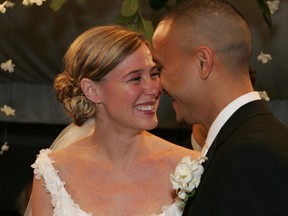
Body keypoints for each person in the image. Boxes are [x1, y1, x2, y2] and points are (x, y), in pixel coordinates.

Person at [25, 25, 200, 216]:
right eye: (135, 79)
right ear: (92, 90)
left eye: (154, 74)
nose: (155, 89)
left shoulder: (191, 166)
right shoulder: (52, 174)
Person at [152, 0, 288, 215]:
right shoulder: (255, 138)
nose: (158, 83)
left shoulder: (248, 156)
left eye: (161, 67)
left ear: (203, 62)